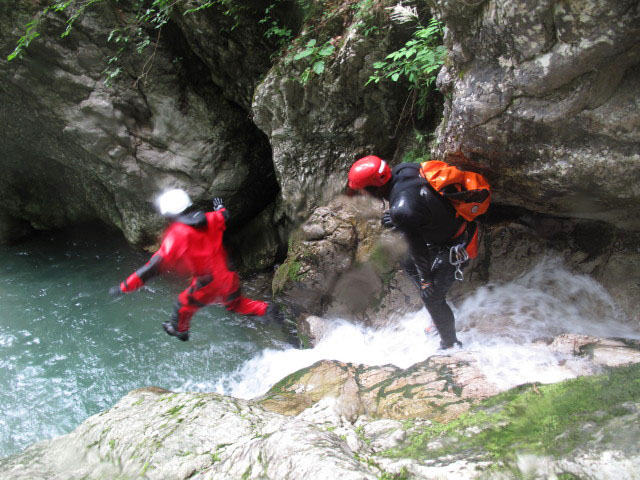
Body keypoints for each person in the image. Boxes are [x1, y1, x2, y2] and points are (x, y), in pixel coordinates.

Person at [109, 188, 281, 341]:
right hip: (228, 275)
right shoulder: (209, 219)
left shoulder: (176, 236)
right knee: (234, 304)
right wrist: (219, 207)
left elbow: (152, 268)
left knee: (182, 305)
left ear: (168, 214)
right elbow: (224, 216)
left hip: (208, 283)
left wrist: (124, 286)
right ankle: (266, 310)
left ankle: (180, 331)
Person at [348, 155, 479, 349]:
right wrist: (399, 219)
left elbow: (418, 248)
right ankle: (437, 311)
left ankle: (450, 344)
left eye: (363, 191)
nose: (363, 196)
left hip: (457, 245)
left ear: (374, 189)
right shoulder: (404, 169)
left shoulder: (403, 210)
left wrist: (427, 283)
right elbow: (419, 200)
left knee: (431, 297)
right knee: (407, 263)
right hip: (448, 228)